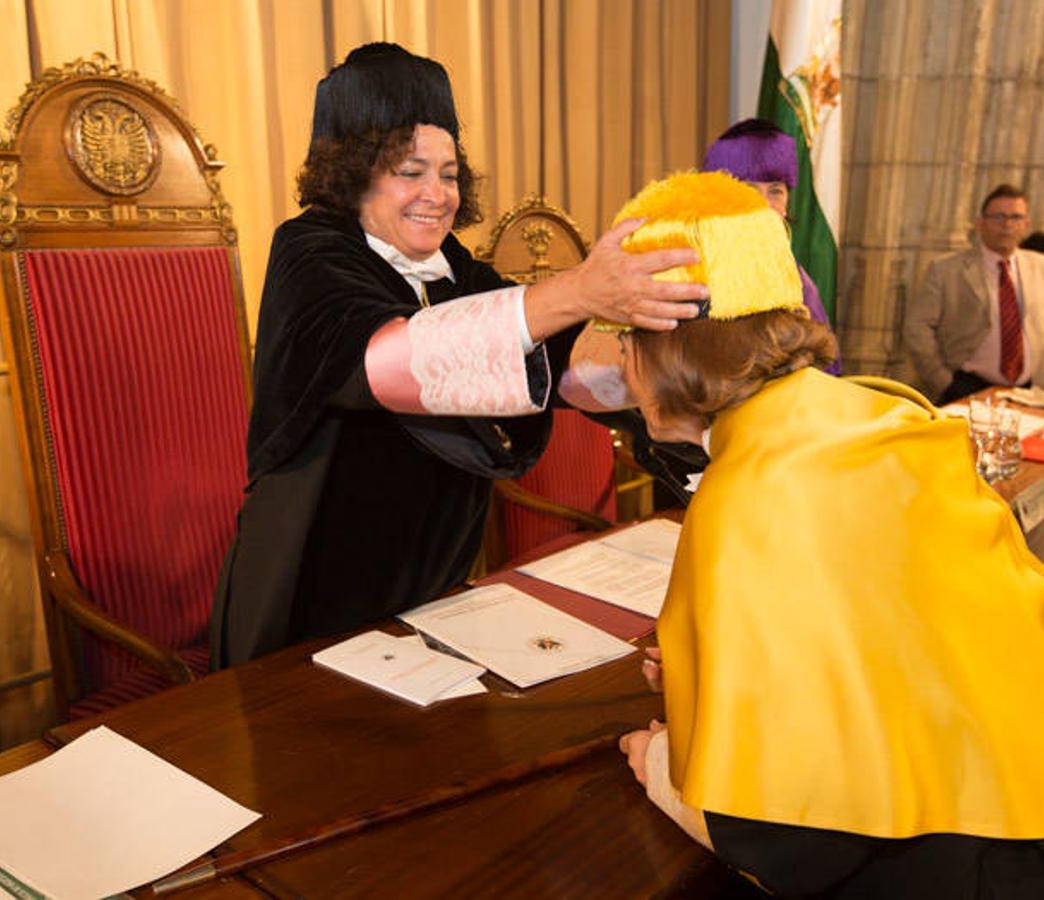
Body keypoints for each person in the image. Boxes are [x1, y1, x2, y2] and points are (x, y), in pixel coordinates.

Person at [613, 171, 1044, 897]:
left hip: (991, 863)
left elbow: (790, 830)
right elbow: (885, 634)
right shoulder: (876, 413)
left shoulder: (749, 488)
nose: (618, 362)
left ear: (672, 351)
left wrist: (662, 774)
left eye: (623, 338)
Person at [210, 43, 706, 667]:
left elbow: (563, 366)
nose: (437, 194)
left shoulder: (453, 269)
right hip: (309, 597)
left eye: (448, 174)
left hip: (429, 593)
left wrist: (684, 371)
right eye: (410, 171)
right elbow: (393, 365)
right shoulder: (308, 252)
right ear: (354, 170)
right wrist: (580, 289)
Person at [701, 118, 840, 374]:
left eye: (776, 191)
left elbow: (828, 366)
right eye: (749, 189)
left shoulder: (796, 277)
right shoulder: (691, 268)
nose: (764, 205)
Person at [904, 184, 1044, 404]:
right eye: (998, 217)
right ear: (980, 223)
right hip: (966, 385)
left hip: (1027, 390)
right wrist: (943, 381)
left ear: (1026, 225)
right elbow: (917, 328)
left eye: (1015, 217)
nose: (1007, 225)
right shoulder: (946, 269)